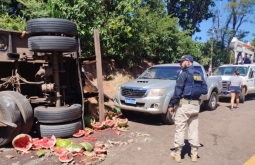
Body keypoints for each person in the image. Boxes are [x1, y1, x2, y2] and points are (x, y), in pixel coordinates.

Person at [168, 55, 208, 163]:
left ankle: (177, 155)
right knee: (194, 130)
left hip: (184, 106)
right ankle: (194, 155)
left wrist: (171, 105)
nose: (180, 64)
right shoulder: (199, 74)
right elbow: (204, 90)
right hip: (195, 106)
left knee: (180, 130)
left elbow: (178, 91)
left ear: (189, 62)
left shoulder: (184, 74)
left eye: (182, 62)